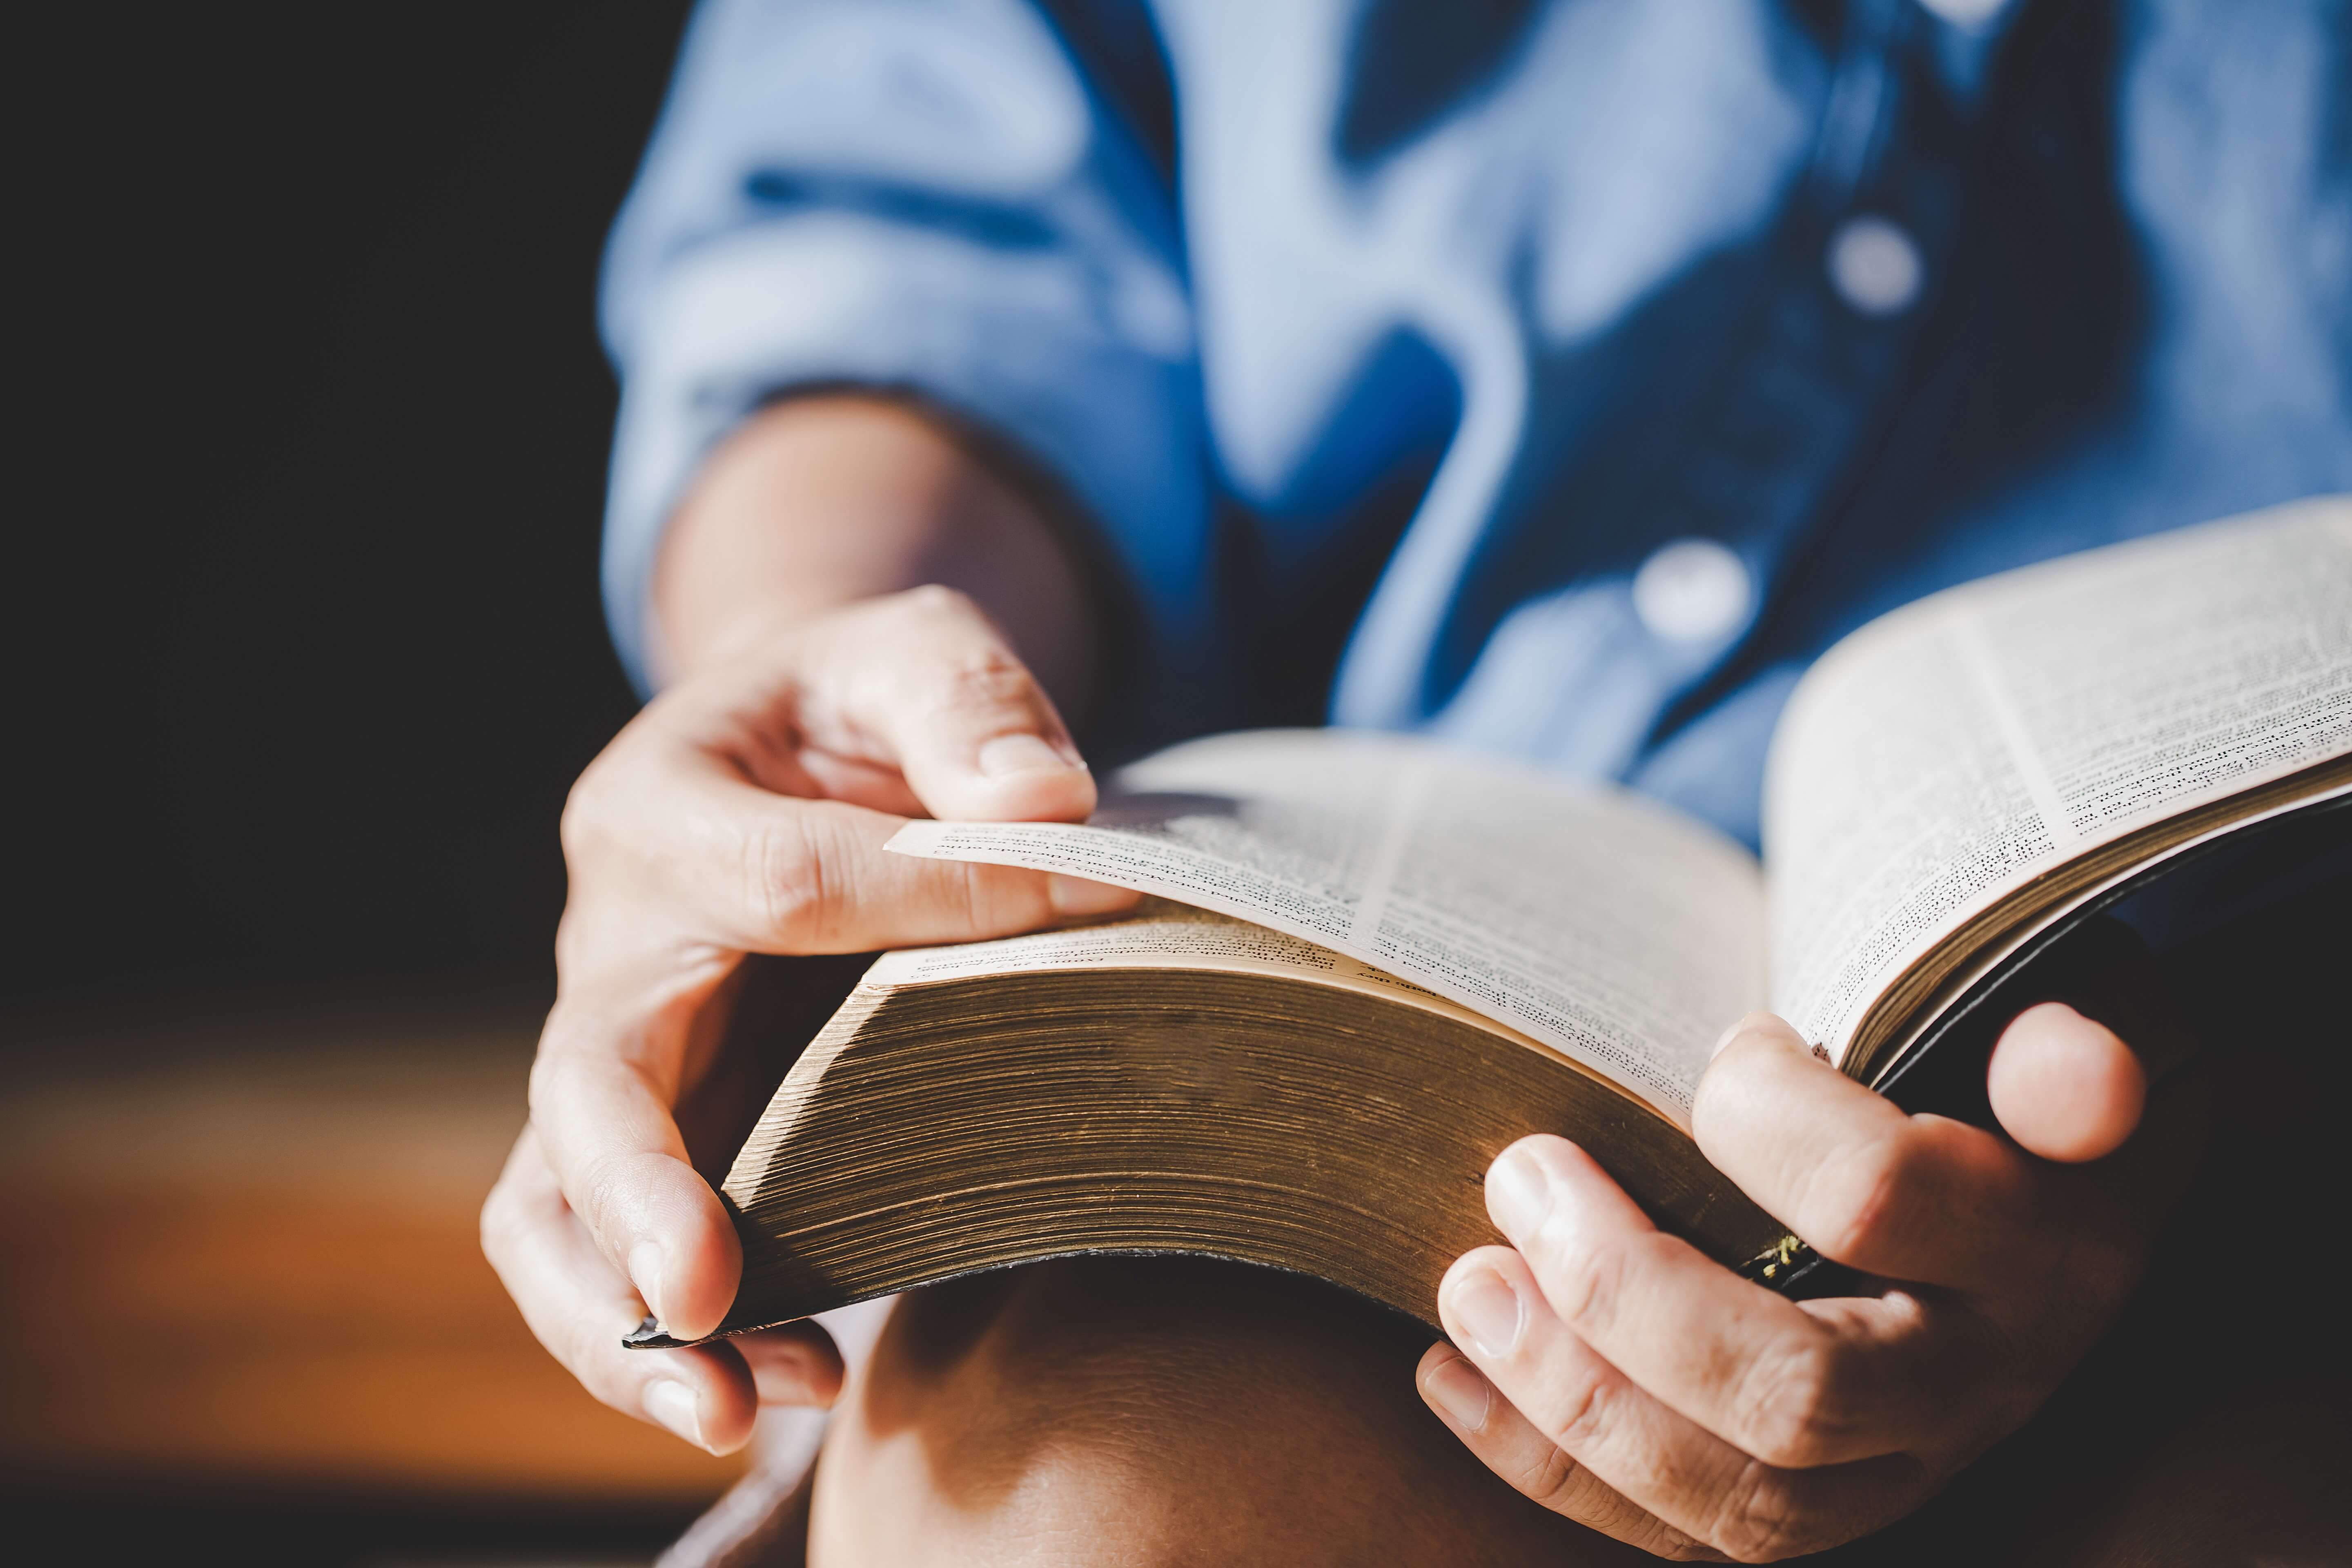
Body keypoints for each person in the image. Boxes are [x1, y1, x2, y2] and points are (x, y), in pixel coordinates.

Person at [481, 1, 2352, 1559]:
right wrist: (818, 653)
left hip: (2249, 1150)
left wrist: (2232, 1119)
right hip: (1265, 1068)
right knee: (1096, 1482)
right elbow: (921, 231)